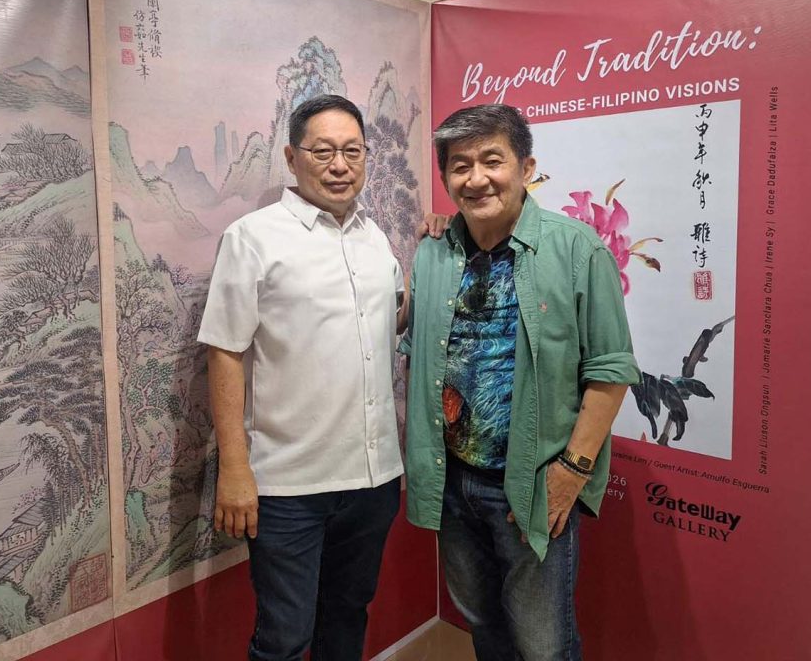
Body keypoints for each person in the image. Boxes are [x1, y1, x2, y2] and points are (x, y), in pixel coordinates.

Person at [400, 104, 639, 661]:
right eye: (460, 166)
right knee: (482, 625)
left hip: (533, 483)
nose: (476, 178)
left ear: (526, 168)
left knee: (543, 643)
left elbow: (610, 370)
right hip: (452, 481)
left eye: (492, 160)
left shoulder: (577, 249)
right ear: (445, 178)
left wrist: (572, 471)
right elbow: (416, 348)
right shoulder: (433, 253)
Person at [198, 94, 408, 661]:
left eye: (352, 152)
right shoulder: (253, 238)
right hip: (288, 487)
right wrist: (235, 470)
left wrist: (441, 238)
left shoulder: (374, 237)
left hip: (373, 479)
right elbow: (224, 351)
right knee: (284, 639)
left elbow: (393, 316)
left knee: (348, 615)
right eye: (323, 151)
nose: (340, 165)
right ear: (292, 158)